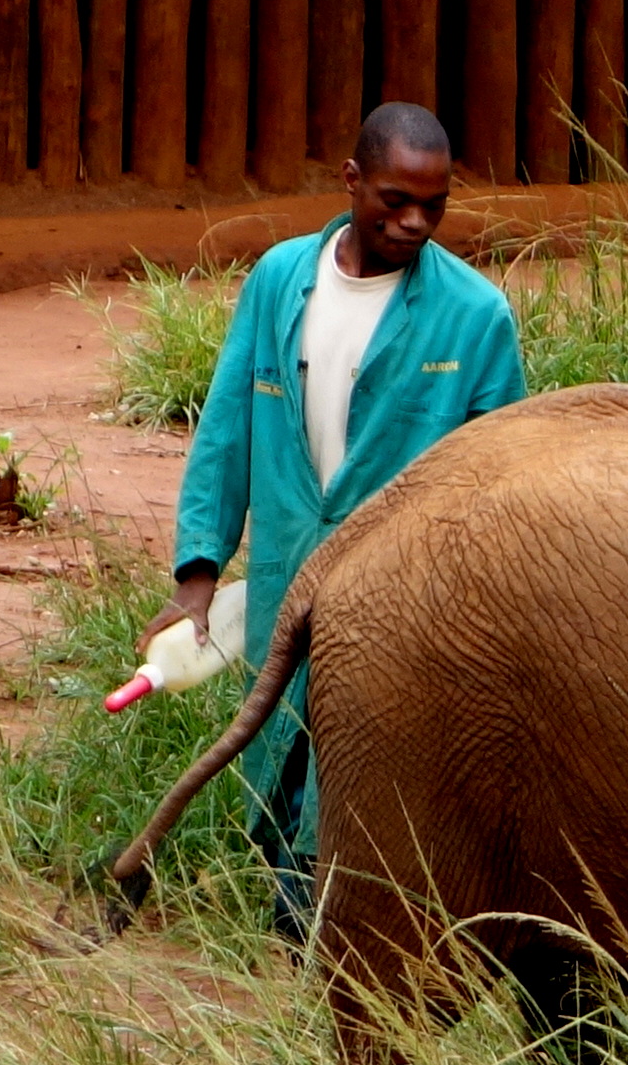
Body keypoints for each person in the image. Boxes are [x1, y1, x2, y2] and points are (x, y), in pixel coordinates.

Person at [143, 102, 528, 938]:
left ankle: (344, 958)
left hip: (406, 603)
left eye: (436, 203)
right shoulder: (280, 281)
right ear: (351, 180)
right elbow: (225, 435)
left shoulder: (476, 316)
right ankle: (292, 947)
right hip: (286, 573)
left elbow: (506, 483)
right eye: (395, 199)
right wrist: (196, 577)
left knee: (368, 785)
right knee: (276, 757)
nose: (415, 221)